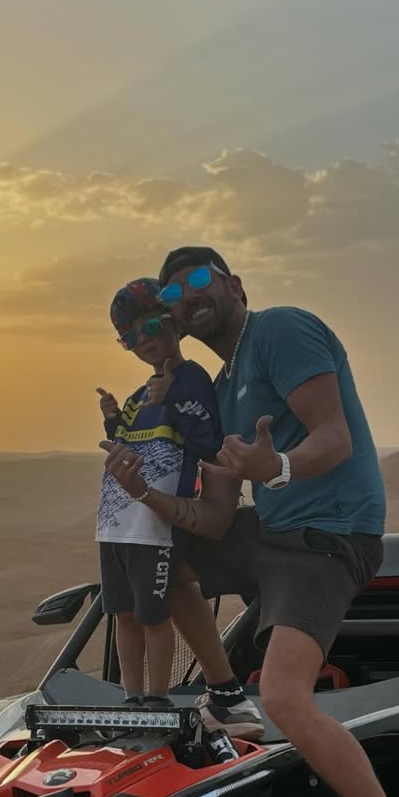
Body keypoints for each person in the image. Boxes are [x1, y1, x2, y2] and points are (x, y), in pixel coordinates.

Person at [102, 247, 399, 797]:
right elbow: (217, 515)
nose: (185, 297)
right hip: (272, 532)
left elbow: (334, 437)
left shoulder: (282, 330)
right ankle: (225, 692)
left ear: (234, 285)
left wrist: (278, 465)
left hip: (329, 536)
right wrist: (145, 494)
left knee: (287, 698)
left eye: (199, 279)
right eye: (172, 294)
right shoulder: (224, 387)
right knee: (164, 550)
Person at [95, 276, 263, 737]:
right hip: (119, 523)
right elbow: (127, 438)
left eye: (149, 327)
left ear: (173, 323)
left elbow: (207, 442)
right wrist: (114, 416)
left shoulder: (189, 380)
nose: (142, 342)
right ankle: (134, 699)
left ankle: (156, 698)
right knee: (124, 613)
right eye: (129, 338)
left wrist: (171, 404)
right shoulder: (142, 392)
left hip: (154, 522)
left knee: (154, 611)